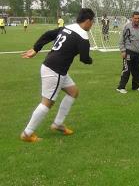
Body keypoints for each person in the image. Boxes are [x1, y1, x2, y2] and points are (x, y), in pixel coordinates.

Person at [20, 8, 95, 142]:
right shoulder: (83, 36)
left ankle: (58, 124)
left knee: (73, 92)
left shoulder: (67, 27)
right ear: (88, 21)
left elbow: (48, 34)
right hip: (55, 71)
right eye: (92, 22)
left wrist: (36, 48)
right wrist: (90, 60)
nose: (92, 25)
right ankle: (27, 133)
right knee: (47, 103)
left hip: (51, 67)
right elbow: (84, 59)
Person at [117, 11, 139, 94]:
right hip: (128, 52)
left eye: (138, 18)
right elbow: (121, 40)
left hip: (138, 53)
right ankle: (121, 87)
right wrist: (123, 50)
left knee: (137, 71)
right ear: (132, 18)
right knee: (126, 70)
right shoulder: (127, 27)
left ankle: (135, 87)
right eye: (135, 18)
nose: (137, 20)